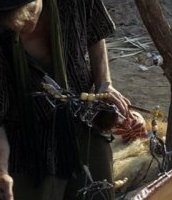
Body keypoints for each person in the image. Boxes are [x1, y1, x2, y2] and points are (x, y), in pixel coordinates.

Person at [0, 0, 145, 199]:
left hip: (83, 123)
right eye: (12, 23)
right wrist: (2, 171)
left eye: (29, 14)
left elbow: (96, 31)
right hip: (26, 146)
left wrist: (104, 83)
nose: (22, 25)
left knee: (98, 191)